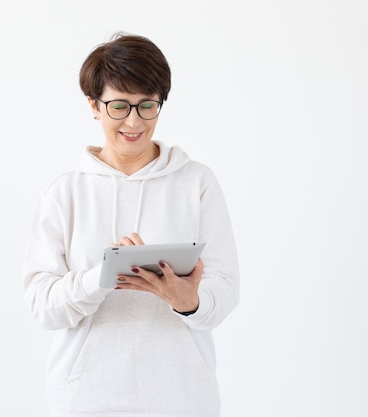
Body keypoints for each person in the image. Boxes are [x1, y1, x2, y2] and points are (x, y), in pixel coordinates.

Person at [23, 32, 240, 417]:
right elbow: (43, 306)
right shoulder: (65, 191)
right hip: (85, 398)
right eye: (119, 106)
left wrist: (188, 302)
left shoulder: (197, 183)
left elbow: (225, 288)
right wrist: (102, 275)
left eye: (147, 106)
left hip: (183, 396)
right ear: (94, 105)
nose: (134, 122)